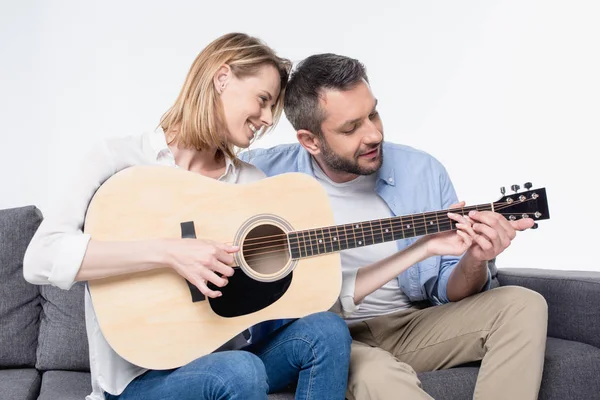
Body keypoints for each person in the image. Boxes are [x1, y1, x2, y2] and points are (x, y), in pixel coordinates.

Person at [23, 34, 353, 400]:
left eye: (271, 109)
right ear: (222, 77)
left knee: (327, 331)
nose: (266, 119)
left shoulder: (251, 183)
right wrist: (171, 253)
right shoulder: (119, 160)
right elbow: (41, 259)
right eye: (263, 100)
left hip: (231, 359)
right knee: (237, 370)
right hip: (142, 380)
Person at [240, 53, 548, 400]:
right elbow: (186, 196)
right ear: (310, 141)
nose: (374, 134)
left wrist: (476, 258)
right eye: (351, 127)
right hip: (328, 336)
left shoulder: (422, 171)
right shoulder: (259, 175)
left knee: (524, 303)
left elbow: (449, 288)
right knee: (379, 378)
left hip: (411, 324)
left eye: (373, 114)